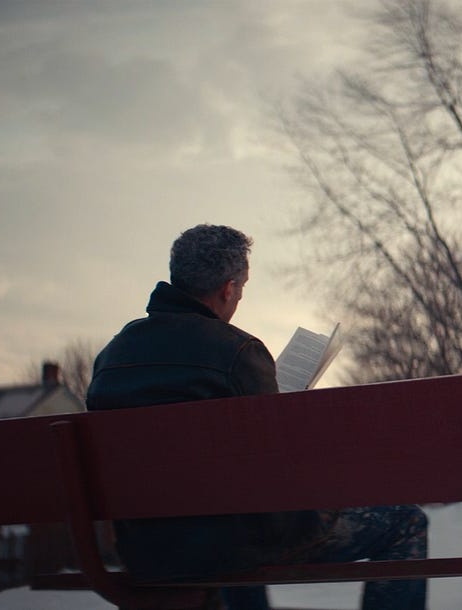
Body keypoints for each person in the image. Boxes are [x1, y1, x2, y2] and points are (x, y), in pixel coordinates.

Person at [88, 224, 428, 610]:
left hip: (149, 549)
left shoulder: (111, 358)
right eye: (242, 290)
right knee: (405, 523)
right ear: (229, 289)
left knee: (230, 522)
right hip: (236, 542)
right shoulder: (237, 352)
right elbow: (279, 465)